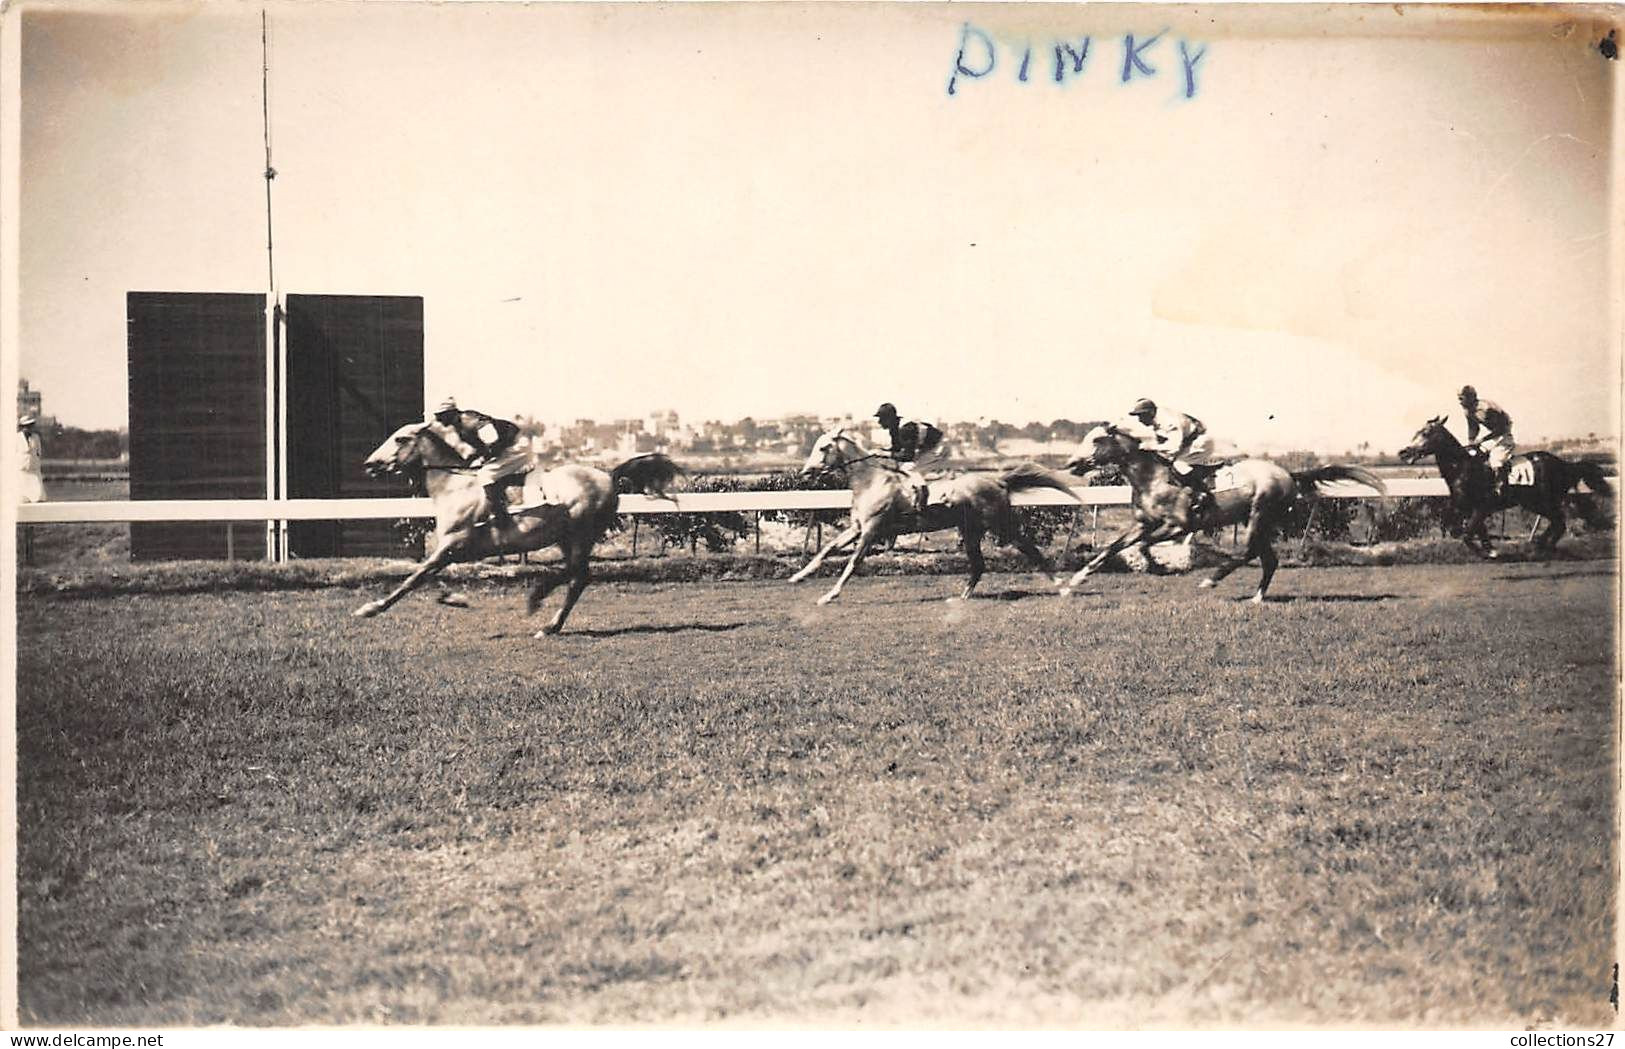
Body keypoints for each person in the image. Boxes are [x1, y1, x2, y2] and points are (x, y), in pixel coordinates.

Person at [425, 397, 531, 525]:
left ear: (450, 413)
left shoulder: (470, 420)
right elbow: (482, 447)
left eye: (440, 416)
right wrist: (469, 462)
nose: (438, 420)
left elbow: (493, 442)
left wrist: (484, 459)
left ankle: (500, 515)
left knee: (485, 474)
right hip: (508, 446)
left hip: (518, 445)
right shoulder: (459, 425)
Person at [1115, 398, 1217, 517]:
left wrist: (1152, 447)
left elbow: (1174, 447)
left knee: (1179, 465)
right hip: (1187, 441)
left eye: (1141, 416)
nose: (1140, 420)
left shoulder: (1168, 421)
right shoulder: (1157, 419)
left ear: (1151, 413)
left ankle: (1202, 495)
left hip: (1200, 441)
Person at [874, 402, 945, 514]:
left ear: (890, 418)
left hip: (938, 446)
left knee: (910, 467)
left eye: (881, 418)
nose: (879, 422)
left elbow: (907, 456)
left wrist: (885, 454)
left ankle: (923, 496)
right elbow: (897, 448)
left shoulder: (905, 429)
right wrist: (883, 451)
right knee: (905, 466)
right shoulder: (893, 428)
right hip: (926, 446)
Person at [1457, 385, 1515, 495]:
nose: (1460, 402)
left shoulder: (1486, 408)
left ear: (1470, 397)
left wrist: (1482, 439)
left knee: (1496, 460)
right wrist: (1471, 441)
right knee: (1474, 456)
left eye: (1461, 398)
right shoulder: (1468, 410)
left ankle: (1500, 486)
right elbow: (1473, 427)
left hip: (1503, 433)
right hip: (1493, 435)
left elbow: (1500, 428)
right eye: (1459, 398)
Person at [16, 414, 45, 504]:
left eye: (30, 426)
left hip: (34, 470)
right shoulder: (16, 438)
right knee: (22, 498)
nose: (28, 429)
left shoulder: (36, 437)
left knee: (38, 495)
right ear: (22, 427)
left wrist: (35, 461)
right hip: (21, 470)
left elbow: (39, 452)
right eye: (26, 426)